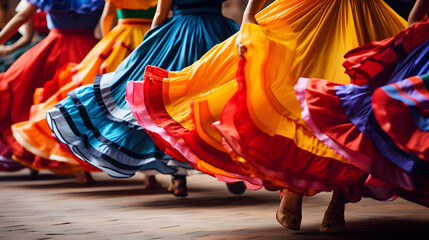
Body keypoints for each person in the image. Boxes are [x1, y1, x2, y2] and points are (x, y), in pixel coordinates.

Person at [126, 0, 410, 233]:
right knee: (297, 99)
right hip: (307, 15)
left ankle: (339, 200)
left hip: (364, 14)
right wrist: (249, 15)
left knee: (352, 107)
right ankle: (292, 190)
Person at [46, 0, 240, 196]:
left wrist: (151, 44)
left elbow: (160, 14)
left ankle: (179, 179)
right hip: (218, 33)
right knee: (223, 96)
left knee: (170, 101)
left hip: (180, 35)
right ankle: (234, 169)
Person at [10, 0, 158, 184]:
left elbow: (107, 18)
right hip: (110, 44)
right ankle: (149, 172)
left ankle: (79, 166)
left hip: (104, 44)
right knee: (138, 102)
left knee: (79, 102)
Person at [0, 0, 104, 180]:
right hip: (89, 52)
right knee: (85, 107)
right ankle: (82, 167)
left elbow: (23, 16)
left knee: (33, 98)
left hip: (53, 50)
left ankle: (39, 155)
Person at [0, 0, 49, 72]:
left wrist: (9, 49)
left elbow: (22, 17)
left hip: (44, 41)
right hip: (37, 41)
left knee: (8, 63)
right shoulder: (29, 3)